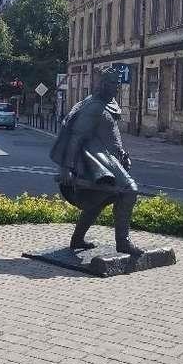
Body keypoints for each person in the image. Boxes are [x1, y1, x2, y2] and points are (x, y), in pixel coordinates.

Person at [50, 67, 141, 256]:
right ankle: (123, 243)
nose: (115, 88)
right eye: (111, 84)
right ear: (102, 84)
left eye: (117, 84)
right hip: (98, 158)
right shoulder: (94, 106)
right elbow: (76, 137)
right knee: (129, 191)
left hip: (111, 157)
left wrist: (123, 153)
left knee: (100, 198)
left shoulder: (109, 103)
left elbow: (109, 134)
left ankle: (77, 239)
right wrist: (67, 168)